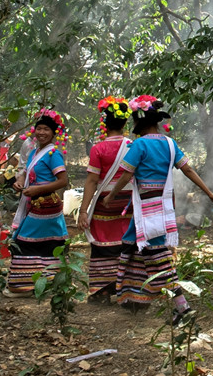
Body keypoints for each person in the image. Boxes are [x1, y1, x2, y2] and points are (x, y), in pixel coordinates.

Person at [103, 95, 213, 314]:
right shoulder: (170, 143)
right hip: (163, 205)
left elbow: (126, 174)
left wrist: (112, 195)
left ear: (140, 122)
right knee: (131, 243)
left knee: (158, 256)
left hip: (147, 207)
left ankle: (182, 307)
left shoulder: (139, 145)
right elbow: (187, 169)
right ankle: (135, 297)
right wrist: (209, 193)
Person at [3, 109, 69, 298]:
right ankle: (45, 282)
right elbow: (26, 172)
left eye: (46, 129)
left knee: (25, 241)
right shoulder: (34, 152)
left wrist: (37, 190)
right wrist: (20, 182)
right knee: (44, 243)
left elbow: (62, 181)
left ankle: (24, 285)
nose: (42, 132)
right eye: (39, 128)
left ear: (54, 132)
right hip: (35, 203)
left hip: (46, 205)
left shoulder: (53, 154)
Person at [78, 96, 134, 302]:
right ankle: (128, 289)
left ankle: (102, 290)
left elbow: (92, 181)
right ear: (125, 123)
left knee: (103, 243)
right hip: (128, 203)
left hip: (105, 203)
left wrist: (84, 210)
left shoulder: (98, 149)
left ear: (104, 123)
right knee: (127, 242)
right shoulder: (133, 146)